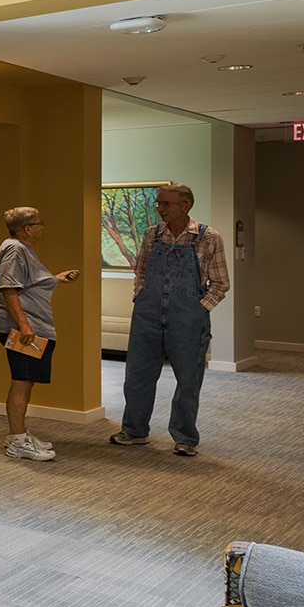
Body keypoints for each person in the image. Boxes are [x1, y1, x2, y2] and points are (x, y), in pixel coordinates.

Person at [110, 183, 230, 457]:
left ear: (185, 206)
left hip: (187, 316)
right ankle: (135, 430)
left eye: (166, 204)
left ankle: (185, 437)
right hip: (147, 313)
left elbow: (221, 283)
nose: (160, 209)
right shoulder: (152, 235)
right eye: (158, 204)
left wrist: (200, 309)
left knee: (188, 379)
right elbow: (140, 270)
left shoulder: (208, 238)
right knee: (137, 375)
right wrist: (141, 295)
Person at [0, 207, 79, 462]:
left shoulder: (22, 249)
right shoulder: (14, 250)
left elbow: (28, 284)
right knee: (21, 381)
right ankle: (18, 442)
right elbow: (9, 289)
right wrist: (24, 325)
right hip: (24, 329)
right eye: (40, 223)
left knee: (27, 381)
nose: (43, 227)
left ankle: (19, 434)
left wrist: (56, 279)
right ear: (28, 228)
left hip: (31, 326)